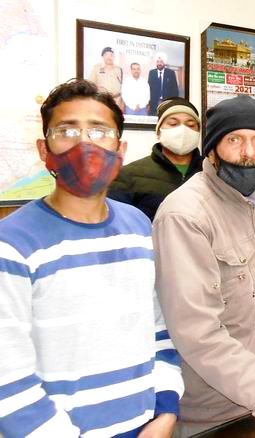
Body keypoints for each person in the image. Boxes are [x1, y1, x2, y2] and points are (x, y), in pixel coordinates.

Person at [0, 79, 183, 436]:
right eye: (67, 131)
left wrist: (165, 411)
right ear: (44, 149)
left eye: (100, 132)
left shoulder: (137, 226)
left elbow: (158, 329)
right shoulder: (13, 244)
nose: (84, 144)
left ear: (121, 148)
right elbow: (7, 377)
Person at [152, 95, 255, 434]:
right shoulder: (185, 214)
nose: (249, 153)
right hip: (214, 416)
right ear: (211, 150)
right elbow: (197, 331)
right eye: (234, 140)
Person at [109, 97, 203, 220]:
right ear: (158, 132)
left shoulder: (211, 172)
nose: (183, 130)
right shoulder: (128, 175)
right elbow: (116, 222)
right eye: (173, 124)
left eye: (190, 125)